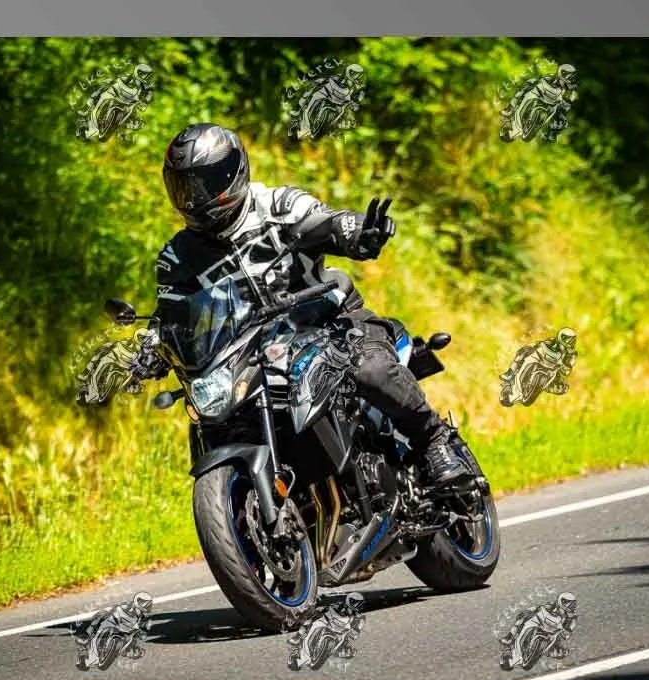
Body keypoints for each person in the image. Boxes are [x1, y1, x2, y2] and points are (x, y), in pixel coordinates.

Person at [132, 123, 469, 487]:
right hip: (250, 353)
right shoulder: (178, 256)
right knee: (215, 421)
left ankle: (434, 440)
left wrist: (356, 231)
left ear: (234, 172)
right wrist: (150, 347)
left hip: (329, 321)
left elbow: (327, 222)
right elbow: (171, 312)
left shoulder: (278, 205)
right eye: (184, 187)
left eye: (204, 183)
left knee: (369, 369)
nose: (193, 198)